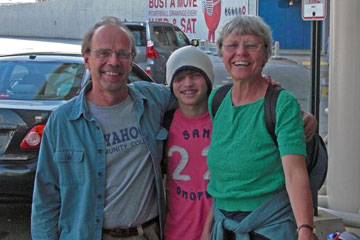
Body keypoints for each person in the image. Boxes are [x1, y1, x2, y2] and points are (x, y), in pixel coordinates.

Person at [31, 16, 176, 240]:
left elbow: (195, 97)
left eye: (122, 54)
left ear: (131, 60)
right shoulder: (62, 122)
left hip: (149, 233)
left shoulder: (153, 100)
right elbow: (46, 200)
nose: (113, 61)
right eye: (103, 53)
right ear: (87, 58)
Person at [206, 15, 315, 240]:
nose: (241, 53)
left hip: (268, 228)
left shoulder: (281, 103)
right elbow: (220, 182)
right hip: (223, 226)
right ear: (221, 53)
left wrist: (305, 229)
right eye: (232, 45)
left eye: (251, 46)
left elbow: (295, 173)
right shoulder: (217, 100)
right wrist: (207, 230)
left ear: (266, 54)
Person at [163, 46, 214, 240]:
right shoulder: (164, 123)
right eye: (179, 78)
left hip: (218, 230)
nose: (188, 83)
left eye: (194, 75)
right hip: (175, 231)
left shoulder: (223, 117)